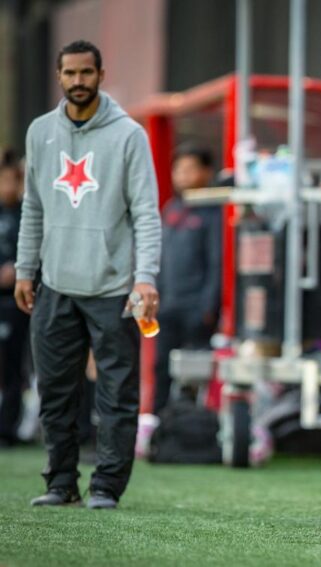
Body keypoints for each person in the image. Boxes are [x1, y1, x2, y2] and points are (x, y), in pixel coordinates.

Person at [14, 40, 161, 509]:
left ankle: (106, 487)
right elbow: (32, 207)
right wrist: (24, 269)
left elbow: (146, 213)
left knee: (117, 394)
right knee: (55, 392)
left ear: (101, 73)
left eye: (86, 73)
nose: (78, 81)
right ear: (59, 76)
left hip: (115, 287)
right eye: (70, 74)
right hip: (54, 282)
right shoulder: (40, 132)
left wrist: (145, 277)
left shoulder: (128, 135)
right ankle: (60, 484)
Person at [152, 144, 221, 415]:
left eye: (190, 169)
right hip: (168, 305)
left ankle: (193, 422)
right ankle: (157, 420)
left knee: (195, 371)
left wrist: (208, 306)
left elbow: (217, 262)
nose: (182, 175)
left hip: (197, 308)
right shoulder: (171, 209)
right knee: (161, 365)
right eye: (178, 169)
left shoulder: (213, 210)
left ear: (206, 172)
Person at [0, 149, 29, 447]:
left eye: (12, 181)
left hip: (19, 300)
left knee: (14, 365)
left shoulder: (26, 215)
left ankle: (8, 427)